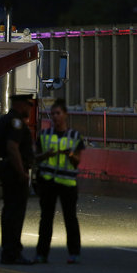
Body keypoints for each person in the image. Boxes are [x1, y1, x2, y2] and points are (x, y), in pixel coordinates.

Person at [34, 99, 84, 264]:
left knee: (70, 219)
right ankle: (42, 254)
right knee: (46, 219)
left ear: (65, 115)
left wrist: (69, 154)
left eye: (58, 113)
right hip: (48, 182)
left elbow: (77, 161)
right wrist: (46, 155)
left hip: (67, 183)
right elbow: (36, 158)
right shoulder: (44, 135)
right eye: (53, 114)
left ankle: (74, 252)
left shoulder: (74, 136)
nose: (55, 117)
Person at [0, 94, 35, 265]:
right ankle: (13, 251)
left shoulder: (3, 120)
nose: (30, 108)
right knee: (16, 213)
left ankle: (8, 251)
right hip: (14, 170)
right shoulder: (16, 122)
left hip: (5, 167)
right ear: (20, 104)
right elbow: (12, 147)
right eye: (28, 104)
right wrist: (21, 172)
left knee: (9, 211)